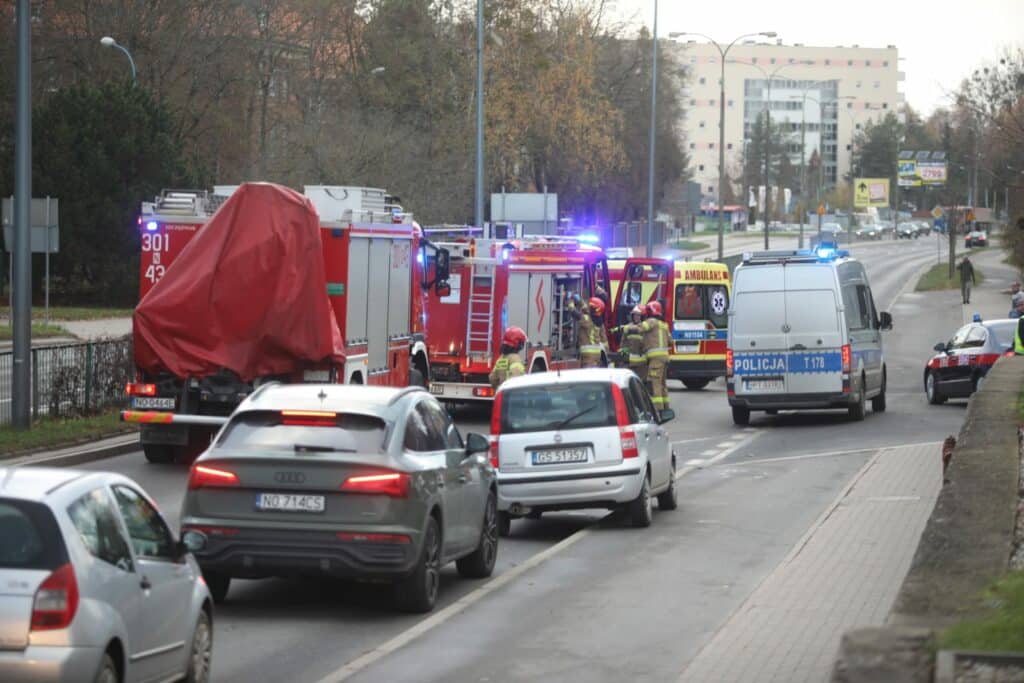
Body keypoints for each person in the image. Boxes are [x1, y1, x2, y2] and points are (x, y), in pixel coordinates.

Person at [638, 301, 671, 410]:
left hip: (656, 360)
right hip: (665, 359)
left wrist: (626, 328)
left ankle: (657, 410)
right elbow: (670, 342)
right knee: (662, 384)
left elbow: (640, 328)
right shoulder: (664, 325)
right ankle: (666, 408)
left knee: (654, 383)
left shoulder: (651, 321)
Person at [567, 294, 609, 368]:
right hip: (597, 356)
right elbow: (587, 309)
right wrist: (580, 301)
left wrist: (570, 300)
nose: (589, 307)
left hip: (588, 358)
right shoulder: (600, 322)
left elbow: (573, 311)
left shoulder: (586, 319)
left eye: (591, 307)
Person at [612, 305, 648, 381]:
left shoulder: (645, 328)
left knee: (641, 383)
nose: (636, 317)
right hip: (629, 363)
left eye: (638, 315)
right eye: (634, 315)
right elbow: (623, 343)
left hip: (642, 364)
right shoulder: (627, 327)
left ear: (642, 316)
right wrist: (622, 355)